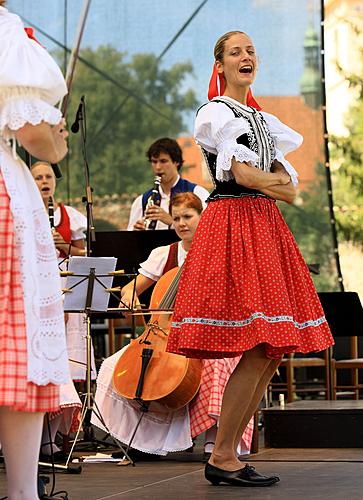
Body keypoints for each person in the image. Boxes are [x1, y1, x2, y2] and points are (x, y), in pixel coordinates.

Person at [166, 31, 334, 487]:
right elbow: (240, 173)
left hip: (262, 225)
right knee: (260, 342)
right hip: (233, 226)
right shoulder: (216, 112)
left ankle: (226, 454)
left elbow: (291, 188)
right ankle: (223, 455)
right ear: (219, 65)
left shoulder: (263, 120)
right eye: (236, 52)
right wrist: (269, 182)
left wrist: (268, 184)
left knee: (272, 345)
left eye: (251, 51)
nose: (246, 57)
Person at [92, 192, 254, 460]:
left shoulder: (219, 254)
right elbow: (132, 288)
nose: (181, 223)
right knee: (113, 365)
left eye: (188, 217)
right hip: (164, 336)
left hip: (209, 336)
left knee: (217, 366)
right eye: (176, 218)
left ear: (203, 218)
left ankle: (216, 442)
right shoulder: (163, 254)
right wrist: (130, 296)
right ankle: (143, 441)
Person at [0, 3, 71, 498]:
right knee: (14, 350)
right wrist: (57, 142)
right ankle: (23, 491)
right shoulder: (3, 30)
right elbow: (33, 134)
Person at [31, 161, 96, 382]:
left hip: (67, 283)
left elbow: (83, 254)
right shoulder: (26, 214)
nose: (44, 182)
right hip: (38, 281)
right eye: (39, 178)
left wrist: (63, 245)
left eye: (48, 177)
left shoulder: (69, 213)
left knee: (71, 341)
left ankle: (75, 396)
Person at [127, 137, 210, 230]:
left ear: (176, 162)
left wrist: (172, 221)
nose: (158, 167)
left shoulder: (198, 193)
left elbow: (207, 230)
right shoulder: (142, 200)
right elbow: (129, 239)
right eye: (154, 162)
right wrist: (136, 233)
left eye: (163, 161)